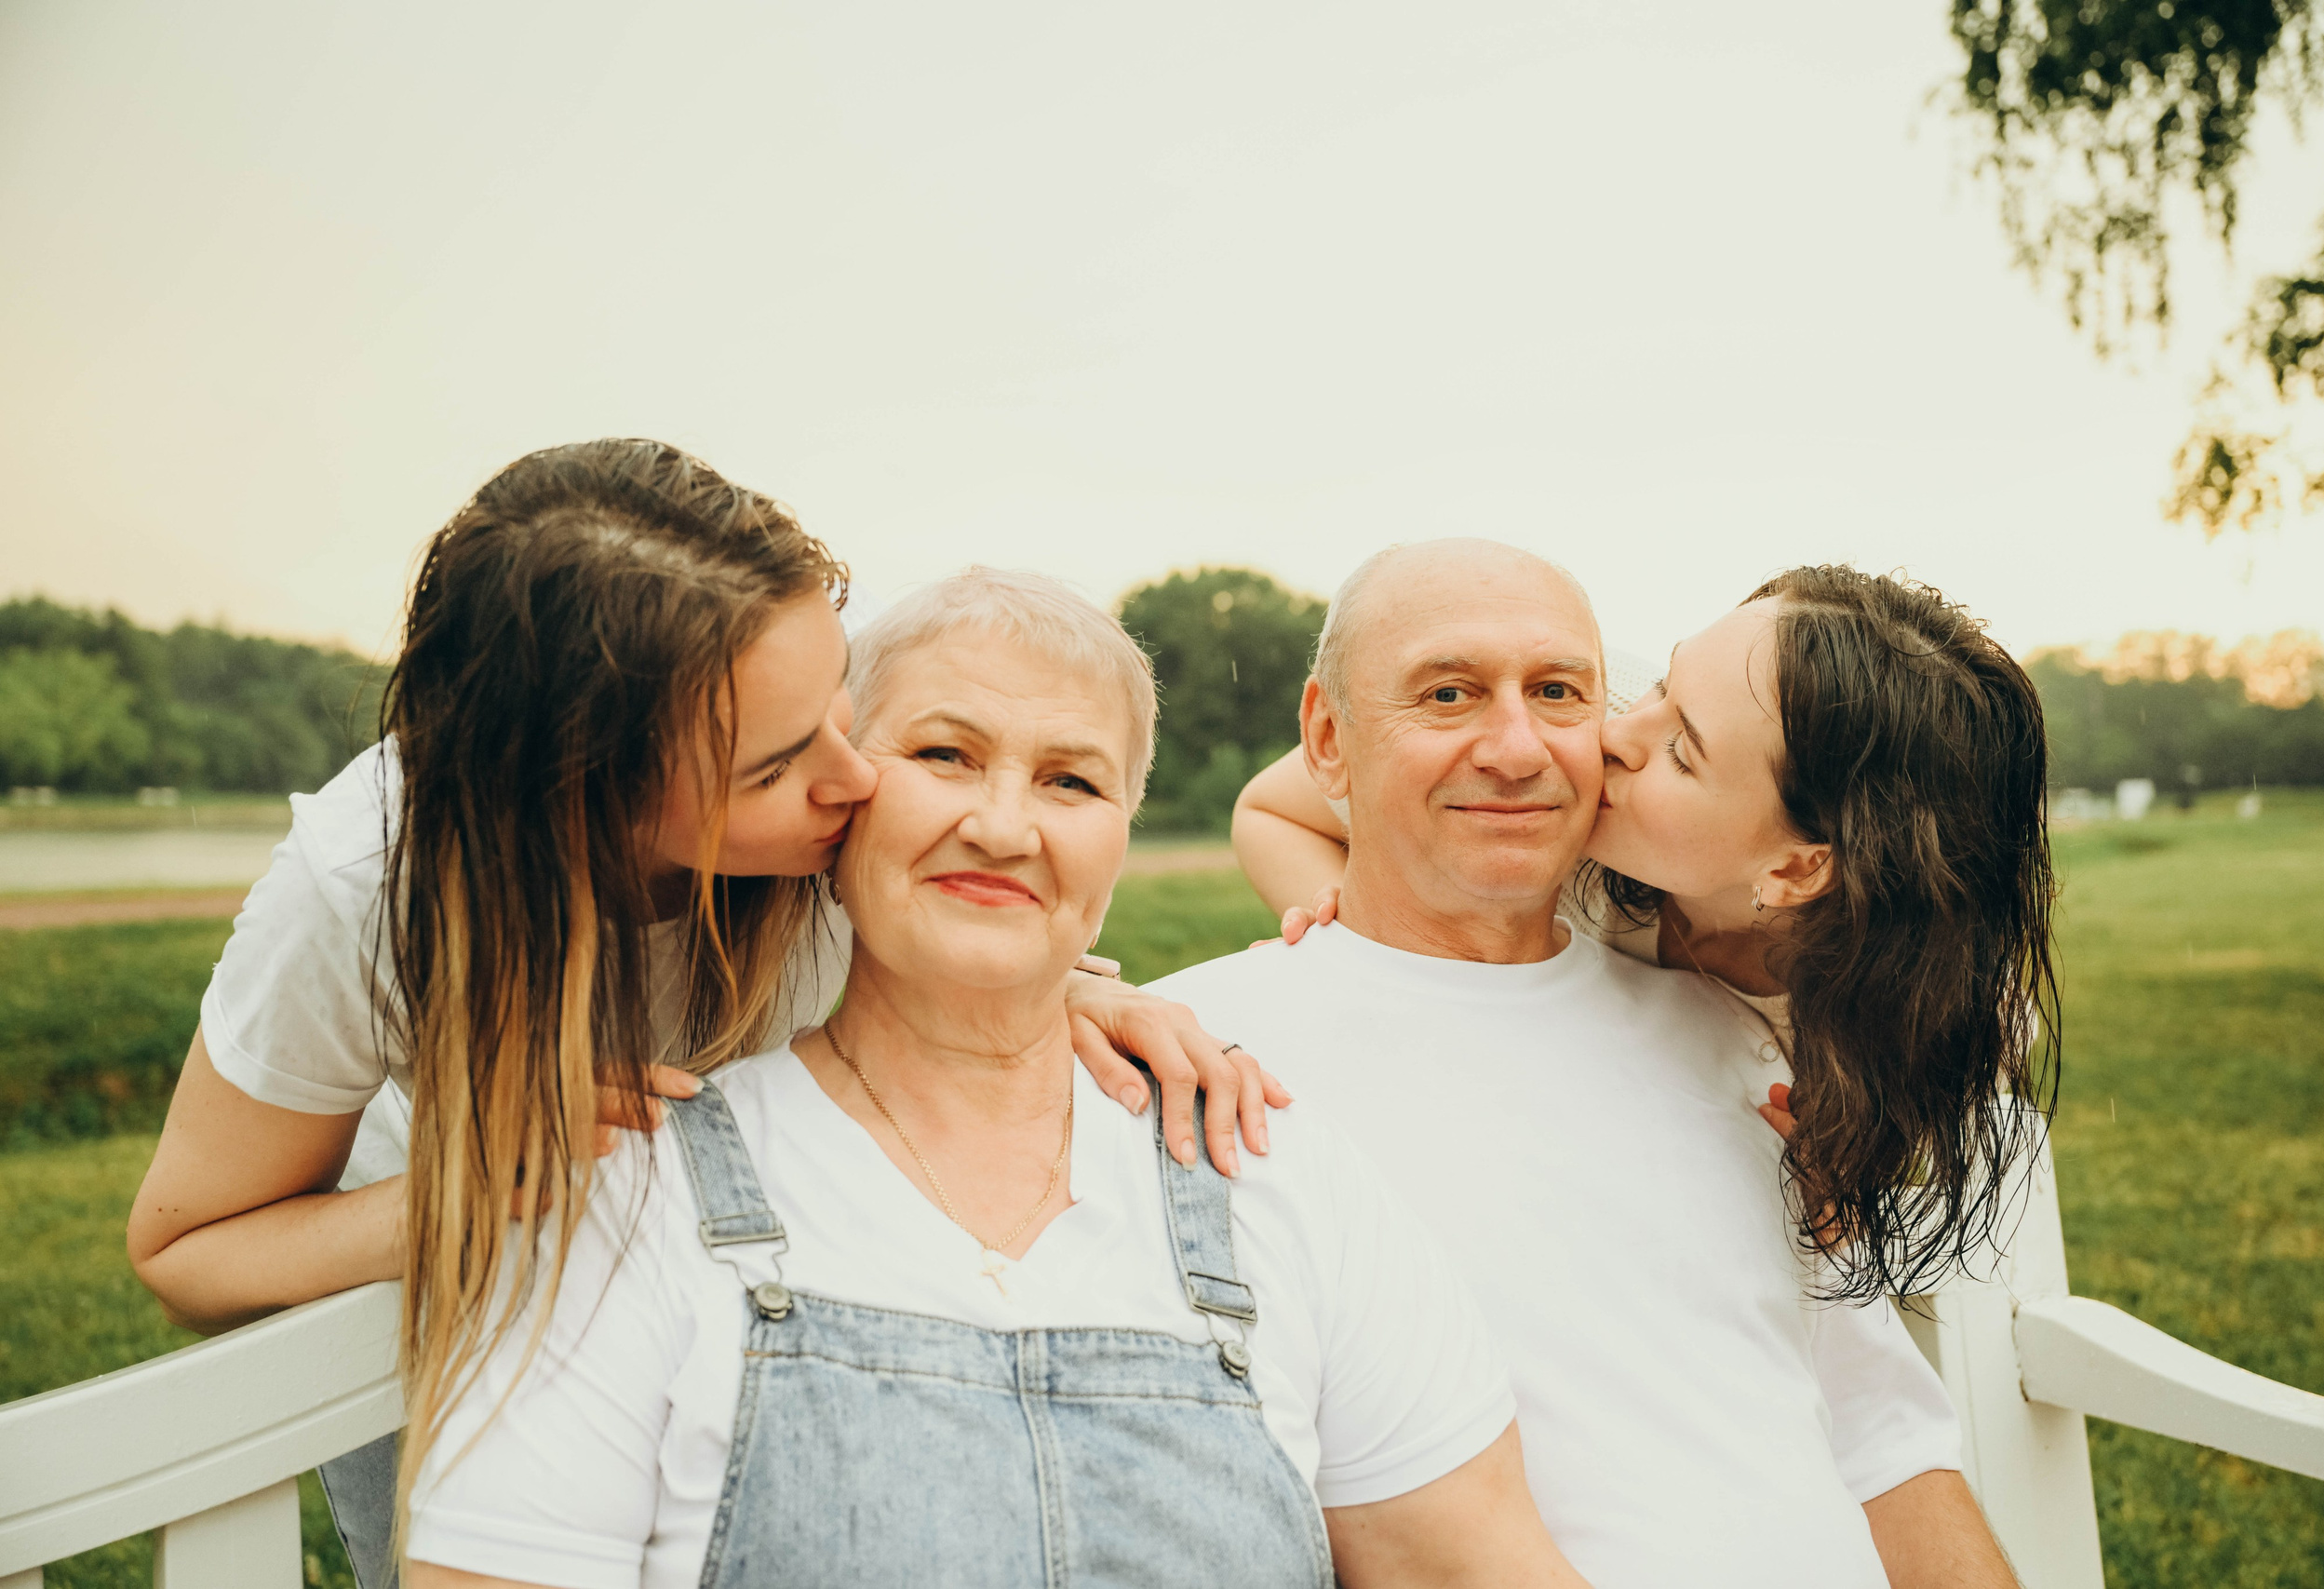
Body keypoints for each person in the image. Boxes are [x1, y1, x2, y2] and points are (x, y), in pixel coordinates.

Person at [124, 441, 1277, 1587]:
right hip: (483, 1278)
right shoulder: (370, 883)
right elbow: (187, 1252)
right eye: (774, 768)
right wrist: (479, 1188)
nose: (858, 776)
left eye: (839, 709)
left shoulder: (794, 690)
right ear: (590, 800)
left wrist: (1070, 989)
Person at [405, 568, 1587, 1589]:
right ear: (840, 800)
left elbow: (1480, 1563)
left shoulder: (1271, 1172)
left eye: (1072, 782)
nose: (1003, 824)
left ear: (1121, 833)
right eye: (942, 756)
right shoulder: (636, 1197)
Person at [1169, 540, 2046, 1586]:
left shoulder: (1781, 1056)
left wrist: (1842, 1162)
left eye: (1560, 695)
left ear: (1795, 867)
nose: (1582, 745)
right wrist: (1323, 932)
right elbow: (1289, 809)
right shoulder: (1204, 1047)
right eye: (1448, 694)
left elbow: (1887, 1444)